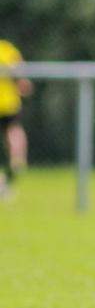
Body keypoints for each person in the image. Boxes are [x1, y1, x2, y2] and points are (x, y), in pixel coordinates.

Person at [0, 39, 32, 200]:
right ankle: (17, 160)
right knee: (13, 131)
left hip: (7, 103)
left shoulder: (6, 49)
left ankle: (14, 164)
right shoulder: (7, 49)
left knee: (13, 131)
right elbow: (22, 80)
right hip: (8, 104)